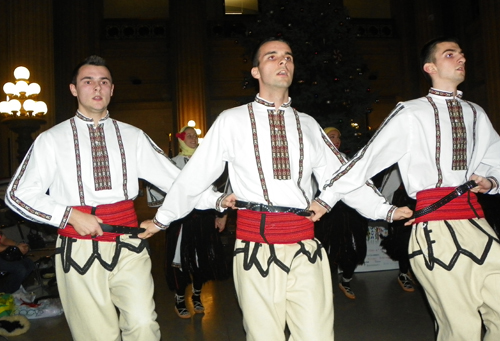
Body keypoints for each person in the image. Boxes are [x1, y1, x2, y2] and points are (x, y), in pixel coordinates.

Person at [141, 37, 412, 340]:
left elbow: (341, 176)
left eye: (288, 57)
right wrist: (162, 219)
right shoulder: (232, 121)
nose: (283, 62)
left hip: (306, 248)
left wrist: (383, 209)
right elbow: (194, 177)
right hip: (255, 247)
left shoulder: (308, 124)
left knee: (317, 335)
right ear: (256, 71)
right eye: (272, 57)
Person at [4, 55, 218, 340]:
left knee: (143, 325)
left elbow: (177, 180)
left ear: (112, 89)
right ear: (73, 89)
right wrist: (68, 215)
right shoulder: (52, 139)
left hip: (129, 242)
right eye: (88, 81)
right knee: (96, 334)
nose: (97, 87)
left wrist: (216, 199)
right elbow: (18, 194)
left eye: (103, 81)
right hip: (78, 246)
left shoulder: (133, 136)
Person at [315, 37, 500, 341]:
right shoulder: (411, 113)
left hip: (478, 224)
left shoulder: (476, 113)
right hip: (435, 229)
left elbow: (496, 159)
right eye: (451, 54)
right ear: (430, 67)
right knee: (462, 326)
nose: (461, 60)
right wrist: (327, 198)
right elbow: (366, 160)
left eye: (463, 55)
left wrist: (491, 181)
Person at [165, 126, 229, 318]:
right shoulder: (173, 163)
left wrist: (221, 214)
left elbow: (217, 191)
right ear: (182, 139)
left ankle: (197, 296)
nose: (193, 138)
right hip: (181, 221)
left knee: (201, 259)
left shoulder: (206, 162)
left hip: (203, 220)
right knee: (180, 261)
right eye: (189, 135)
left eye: (195, 135)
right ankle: (179, 300)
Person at [314, 127, 368, 300]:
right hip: (326, 213)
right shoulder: (316, 160)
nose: (337, 140)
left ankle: (346, 280)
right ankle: (324, 287)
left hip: (348, 212)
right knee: (325, 251)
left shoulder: (346, 160)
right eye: (332, 136)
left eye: (338, 137)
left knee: (353, 250)